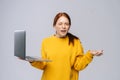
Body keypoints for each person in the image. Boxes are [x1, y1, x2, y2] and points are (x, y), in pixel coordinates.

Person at [29, 12, 103, 80]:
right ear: (54, 26)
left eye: (66, 24)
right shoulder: (46, 42)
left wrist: (90, 54)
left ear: (69, 26)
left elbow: (78, 65)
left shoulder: (75, 42)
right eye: (60, 24)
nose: (63, 26)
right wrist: (32, 61)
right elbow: (44, 64)